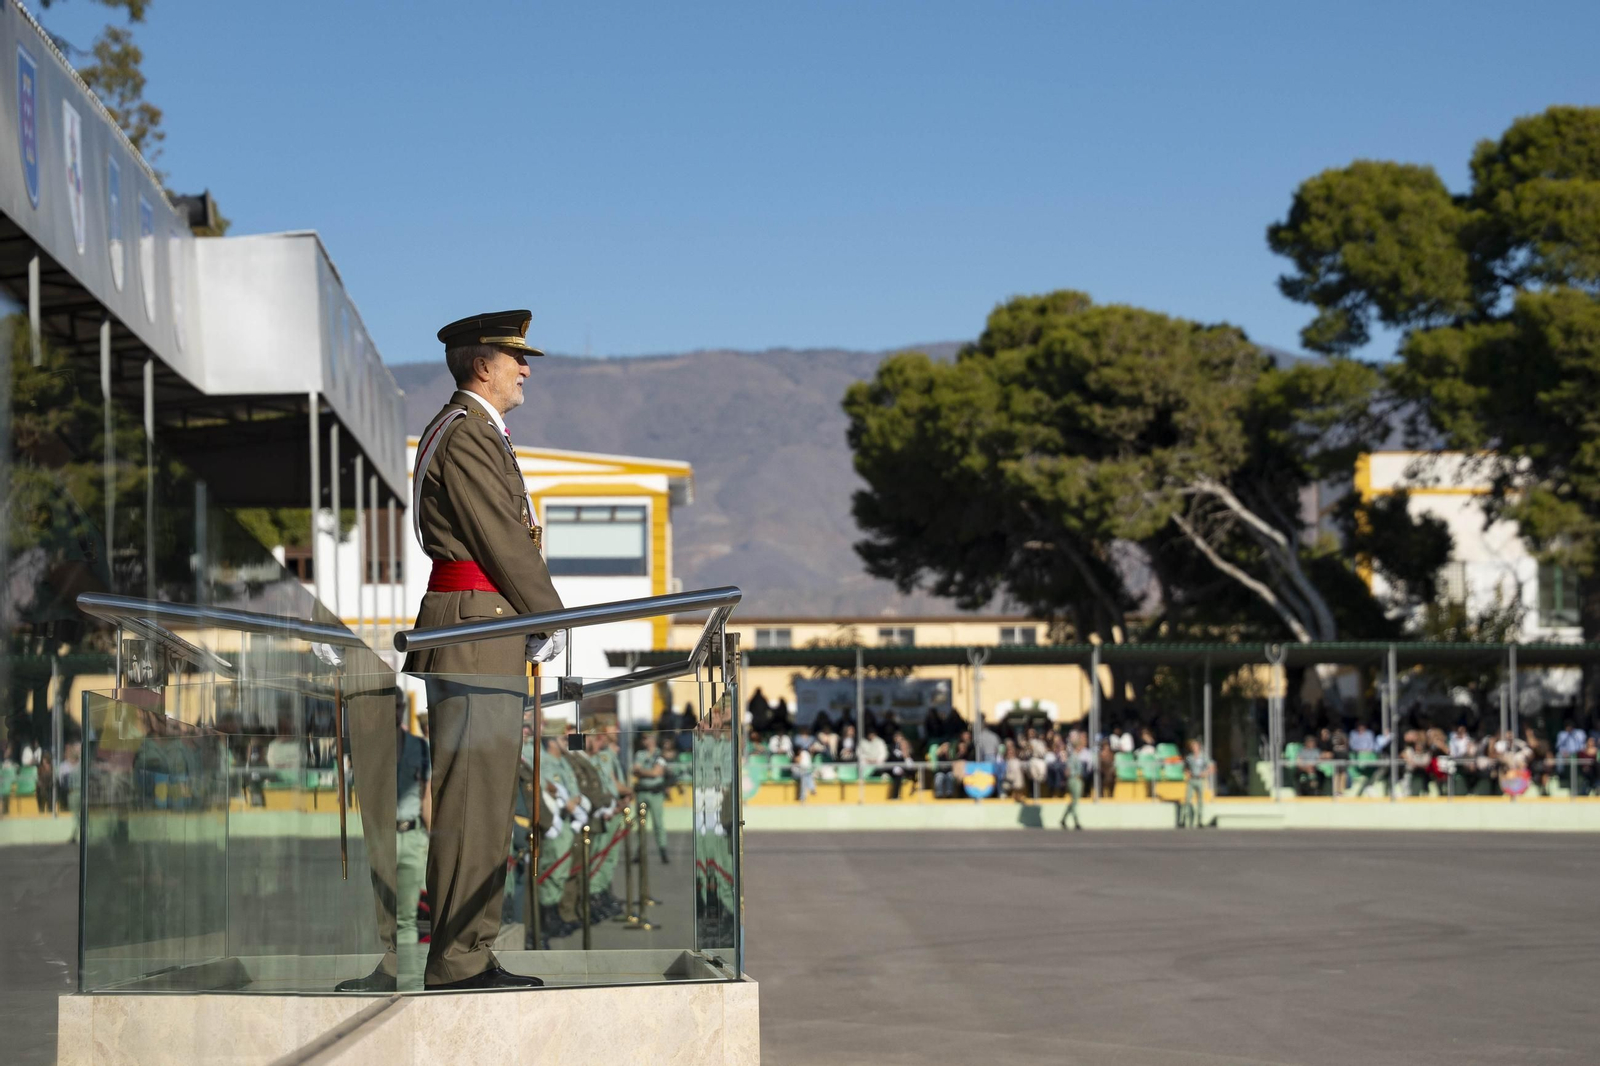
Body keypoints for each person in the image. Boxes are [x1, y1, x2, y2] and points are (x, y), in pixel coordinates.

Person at [344, 309, 564, 993]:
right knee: (474, 803)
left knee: (489, 801)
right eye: (515, 357)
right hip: (477, 626)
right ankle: (461, 959)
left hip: (483, 625)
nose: (526, 368)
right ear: (481, 365)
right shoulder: (467, 433)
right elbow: (500, 535)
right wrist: (549, 615)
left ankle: (472, 948)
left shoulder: (470, 430)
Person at [633, 731, 671, 862]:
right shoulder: (640, 754)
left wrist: (643, 771)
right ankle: (640, 851)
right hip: (642, 791)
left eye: (646, 738)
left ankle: (663, 850)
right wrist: (647, 772)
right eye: (643, 738)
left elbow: (656, 773)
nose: (644, 741)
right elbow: (636, 770)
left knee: (658, 823)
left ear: (652, 739)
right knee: (641, 824)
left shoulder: (660, 754)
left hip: (655, 793)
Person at [1180, 739, 1209, 829]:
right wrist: (1187, 773)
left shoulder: (1203, 757)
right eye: (1192, 747)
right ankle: (1184, 819)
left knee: (1200, 801)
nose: (1194, 748)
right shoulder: (1189, 757)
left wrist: (1205, 773)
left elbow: (1210, 767)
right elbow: (1184, 767)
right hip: (1192, 780)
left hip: (1200, 780)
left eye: (1195, 746)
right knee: (1187, 799)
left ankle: (1200, 820)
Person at [1058, 736, 1085, 831]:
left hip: (1076, 779)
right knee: (1074, 802)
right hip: (1074, 779)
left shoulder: (1075, 756)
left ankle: (1063, 820)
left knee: (1073, 802)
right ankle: (1076, 821)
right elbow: (1068, 771)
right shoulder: (1073, 756)